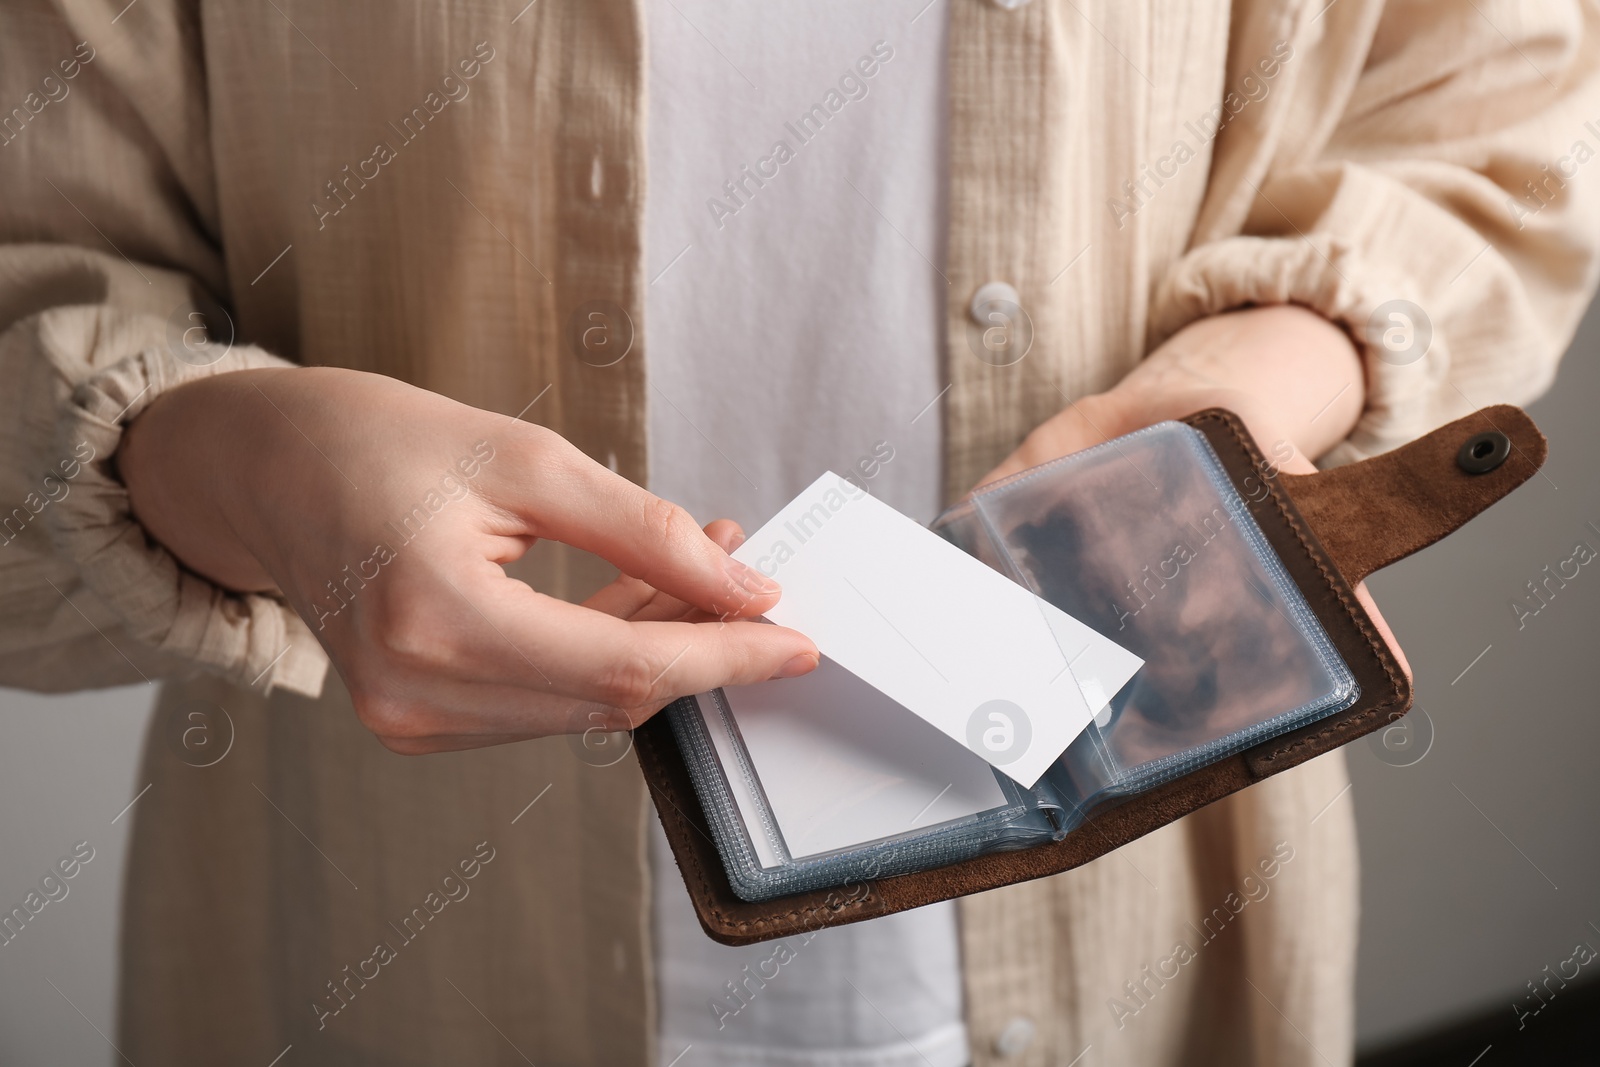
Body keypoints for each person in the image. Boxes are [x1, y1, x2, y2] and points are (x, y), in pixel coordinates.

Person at [2, 0, 1596, 1064]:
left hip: (1144, 940)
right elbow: (40, 251)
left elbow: (1499, 112)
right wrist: (229, 460)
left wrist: (1244, 401)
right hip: (401, 943)